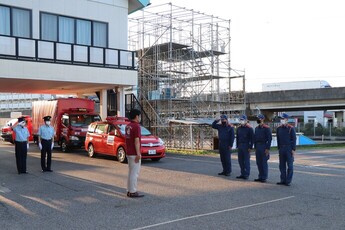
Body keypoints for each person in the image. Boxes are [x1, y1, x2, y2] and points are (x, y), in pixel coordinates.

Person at [125, 109, 144, 198]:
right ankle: (133, 191)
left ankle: (129, 190)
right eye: (139, 116)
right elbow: (137, 141)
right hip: (134, 152)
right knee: (134, 173)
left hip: (128, 152)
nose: (140, 118)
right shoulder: (136, 127)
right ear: (137, 116)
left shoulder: (128, 126)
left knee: (130, 172)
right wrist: (138, 153)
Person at [276, 113, 296, 186]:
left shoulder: (291, 128)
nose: (281, 120)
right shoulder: (279, 128)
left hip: (288, 148)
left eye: (283, 119)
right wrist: (279, 148)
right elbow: (278, 139)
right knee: (281, 165)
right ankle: (283, 180)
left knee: (290, 166)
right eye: (281, 119)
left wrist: (293, 149)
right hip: (281, 148)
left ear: (286, 120)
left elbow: (294, 139)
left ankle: (288, 181)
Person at [254, 114, 272, 183]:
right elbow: (255, 138)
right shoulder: (256, 128)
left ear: (262, 119)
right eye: (257, 118)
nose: (258, 120)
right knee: (258, 162)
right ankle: (260, 176)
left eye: (259, 118)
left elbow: (269, 139)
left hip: (264, 146)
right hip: (258, 146)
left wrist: (267, 148)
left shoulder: (266, 128)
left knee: (263, 162)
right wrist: (255, 147)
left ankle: (264, 177)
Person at [236, 115, 254, 179]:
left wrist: (250, 147)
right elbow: (237, 138)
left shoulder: (249, 129)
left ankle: (246, 174)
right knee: (240, 161)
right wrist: (237, 146)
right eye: (240, 120)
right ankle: (242, 173)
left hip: (246, 146)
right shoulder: (239, 128)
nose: (241, 121)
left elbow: (252, 139)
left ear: (246, 120)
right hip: (240, 146)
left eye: (242, 120)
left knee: (246, 161)